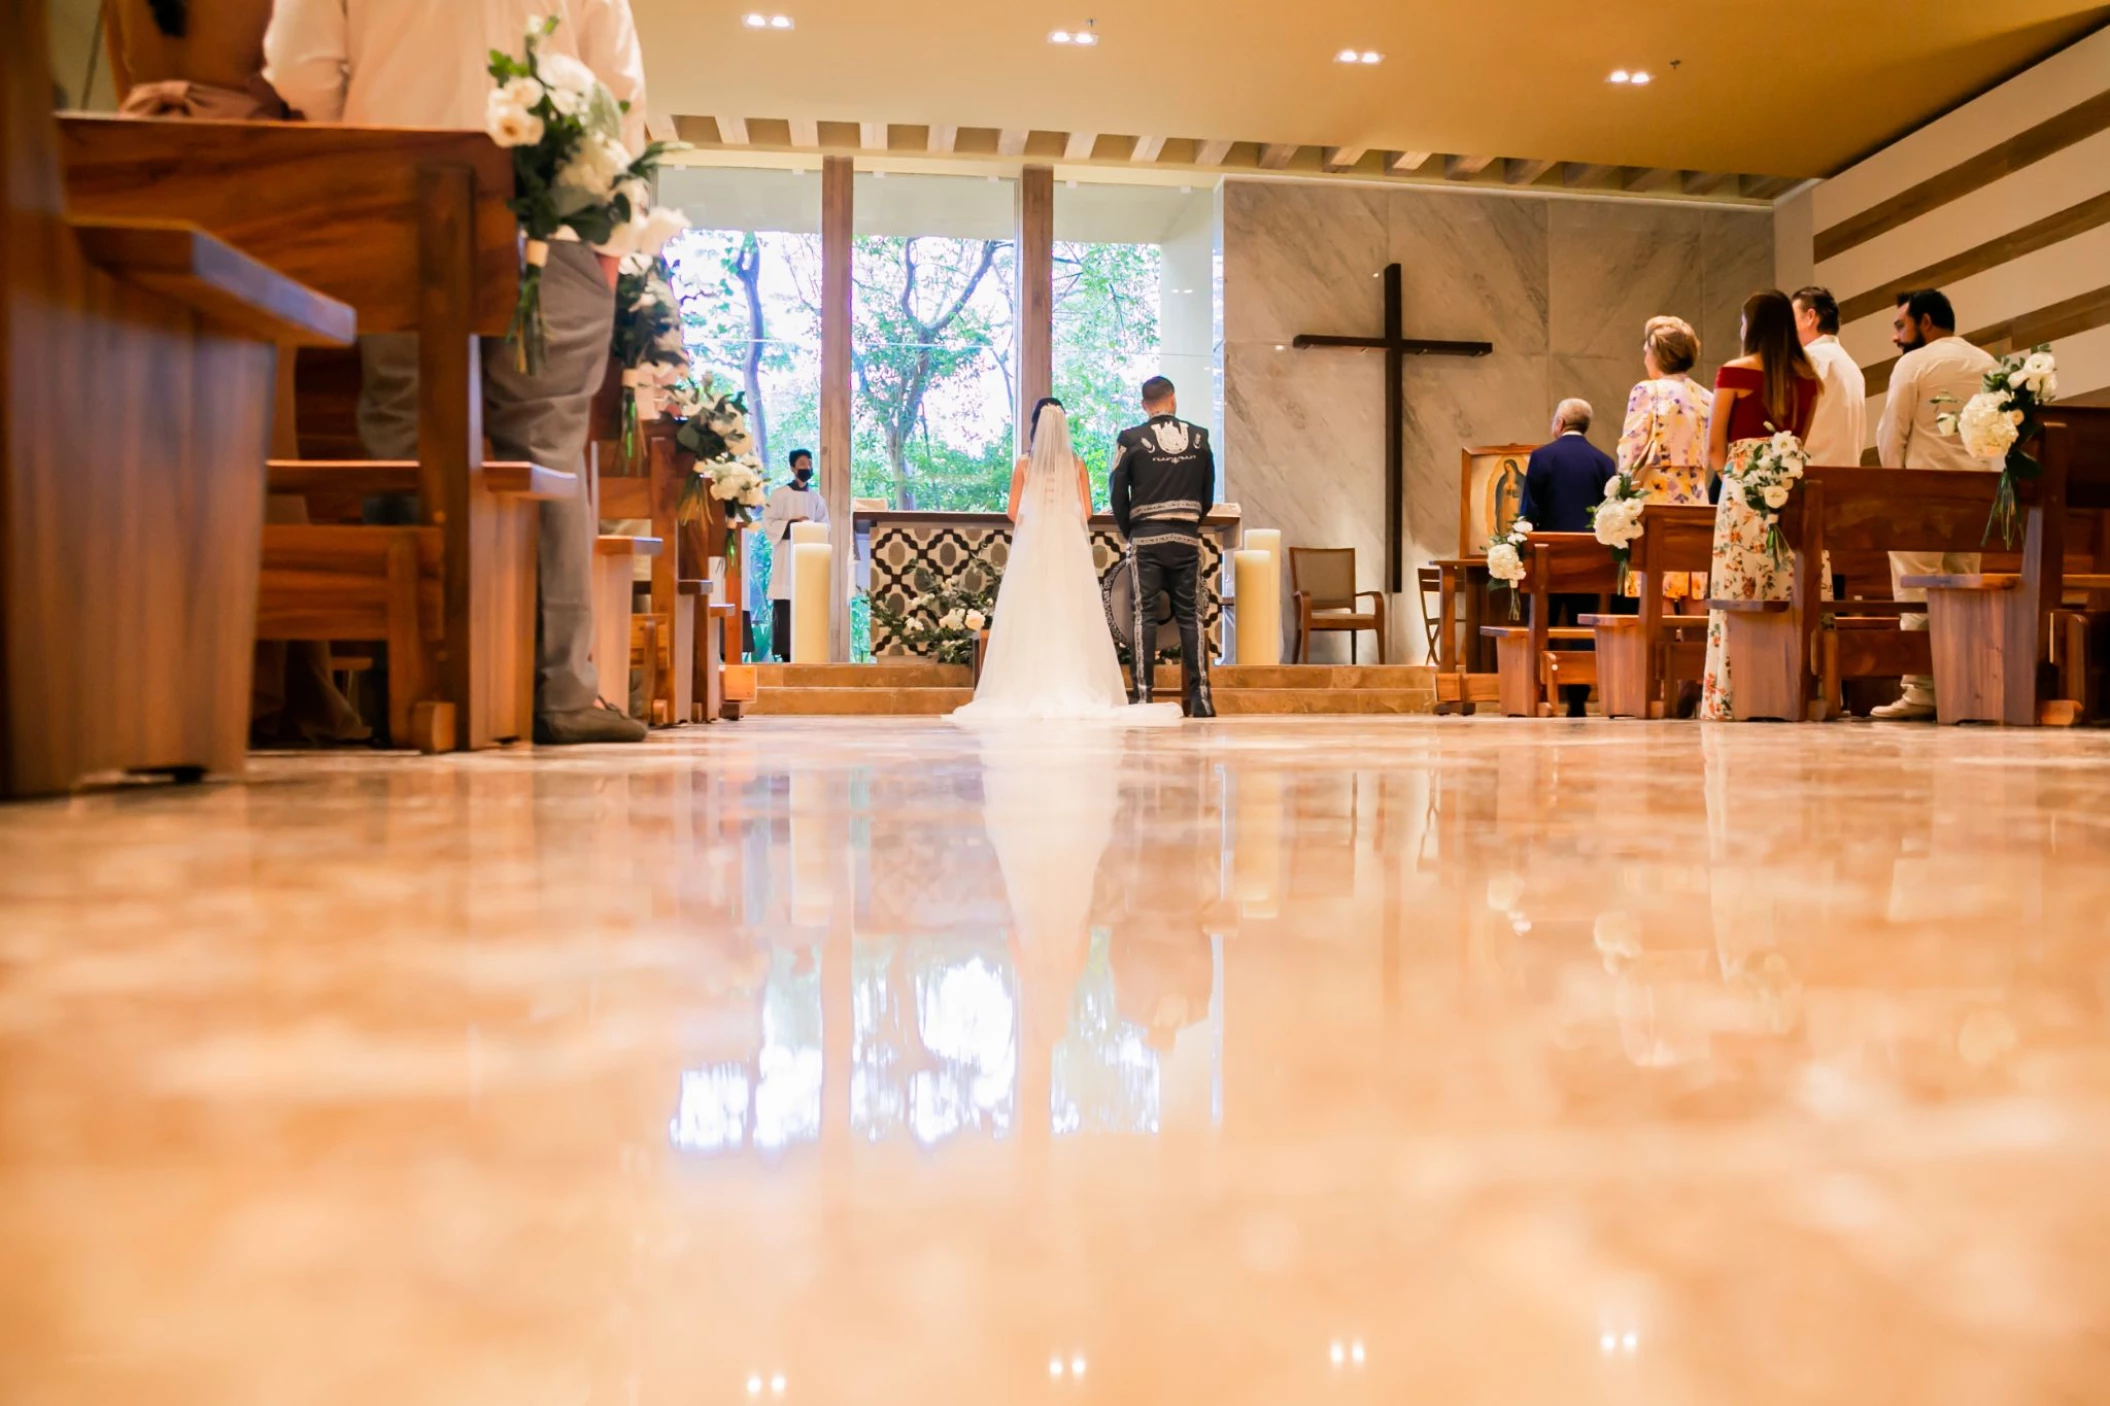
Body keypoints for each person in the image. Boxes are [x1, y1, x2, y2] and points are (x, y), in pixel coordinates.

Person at [264, 0, 650, 745]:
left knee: (409, 432)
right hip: (558, 205)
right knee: (545, 444)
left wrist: (372, 138)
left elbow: (299, 66)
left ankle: (412, 685)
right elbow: (620, 95)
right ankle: (559, 692)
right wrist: (616, 240)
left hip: (400, 190)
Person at [952, 399, 1179, 723]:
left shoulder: (1025, 465)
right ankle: (1076, 680)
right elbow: (1086, 511)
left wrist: (1039, 521)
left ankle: (1024, 685)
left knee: (1031, 613)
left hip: (1034, 547)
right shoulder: (1076, 464)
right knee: (1071, 612)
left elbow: (1013, 511)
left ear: (1036, 428)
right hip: (1069, 546)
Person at [1872, 288, 1998, 721]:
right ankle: (1965, 688)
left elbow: (1892, 434)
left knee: (1916, 590)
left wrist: (1895, 486)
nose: (1895, 337)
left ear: (1926, 322)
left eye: (1900, 326)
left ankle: (1922, 690)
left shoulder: (1914, 363)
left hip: (1921, 493)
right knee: (1964, 588)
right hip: (1978, 493)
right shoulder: (1987, 363)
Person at [1699, 290, 1825, 721]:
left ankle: (1736, 696)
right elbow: (1799, 441)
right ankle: (1787, 690)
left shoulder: (1734, 372)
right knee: (1785, 587)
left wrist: (1736, 475)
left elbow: (1714, 445)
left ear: (1751, 326)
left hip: (1742, 492)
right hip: (1790, 488)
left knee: (1738, 590)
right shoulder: (1810, 379)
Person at [1111, 377, 1218, 718]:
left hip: (1147, 537)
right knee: (1191, 615)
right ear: (1173, 399)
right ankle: (1201, 698)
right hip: (1186, 538)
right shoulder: (1200, 438)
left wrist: (1132, 532)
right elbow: (1208, 493)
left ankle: (1143, 697)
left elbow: (1117, 493)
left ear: (1145, 404)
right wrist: (1189, 524)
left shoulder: (1130, 439)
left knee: (1144, 615)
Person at [1518, 399, 1616, 716]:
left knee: (1541, 623)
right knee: (1583, 625)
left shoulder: (1542, 457)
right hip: (1589, 558)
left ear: (1560, 422)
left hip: (1548, 557)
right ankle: (1578, 698)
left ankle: (1540, 693)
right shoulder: (1604, 462)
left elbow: (1529, 513)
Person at [1614, 315, 1715, 604]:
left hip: (1657, 494)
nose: (1644, 356)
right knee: (1692, 587)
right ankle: (1693, 650)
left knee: (1659, 588)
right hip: (1696, 494)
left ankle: (1659, 650)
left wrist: (1621, 493)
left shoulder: (1647, 390)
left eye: (1647, 349)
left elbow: (1630, 448)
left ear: (1658, 353)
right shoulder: (1706, 396)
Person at [761, 449, 827, 662]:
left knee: (806, 603)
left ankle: (808, 651)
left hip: (808, 559)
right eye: (801, 463)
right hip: (786, 556)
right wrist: (792, 524)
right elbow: (768, 523)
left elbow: (826, 525)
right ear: (792, 468)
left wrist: (810, 527)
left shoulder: (816, 498)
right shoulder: (780, 495)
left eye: (809, 463)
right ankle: (785, 652)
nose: (806, 467)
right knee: (785, 603)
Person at [1793, 286, 1868, 466]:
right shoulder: (1852, 367)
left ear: (1809, 317)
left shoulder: (1810, 359)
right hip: (1847, 477)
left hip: (1813, 477)